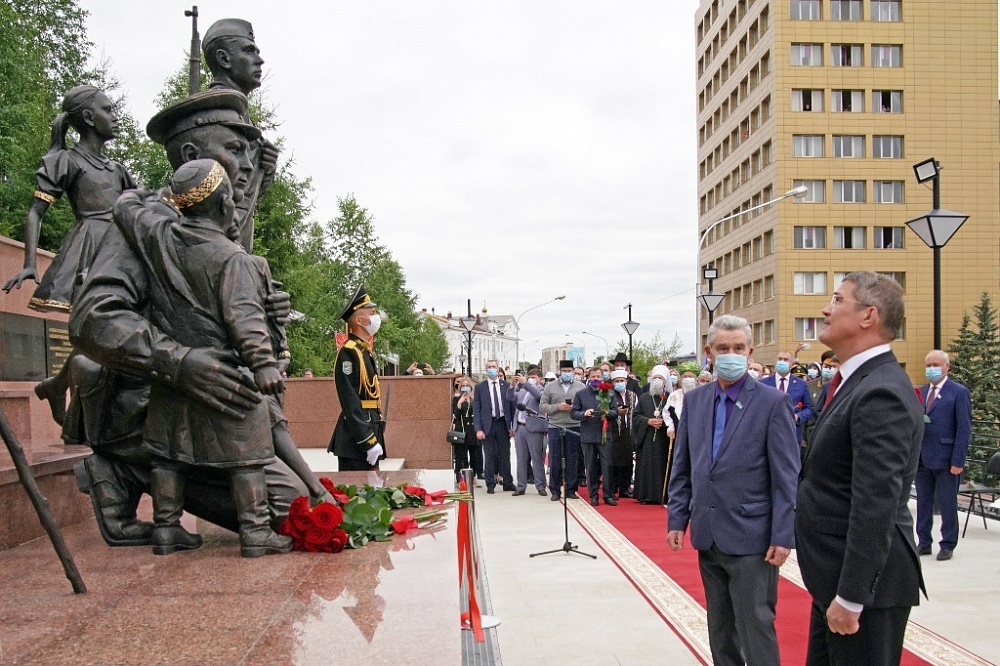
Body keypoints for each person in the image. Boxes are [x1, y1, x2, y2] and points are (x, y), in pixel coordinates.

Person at [69, 89, 309, 546]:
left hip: (212, 406)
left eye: (249, 152)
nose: (245, 164)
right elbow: (92, 319)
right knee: (289, 512)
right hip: (153, 409)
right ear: (191, 156)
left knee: (300, 506)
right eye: (235, 151)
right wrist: (180, 363)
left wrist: (266, 308)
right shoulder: (148, 228)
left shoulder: (210, 221)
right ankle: (118, 467)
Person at [115, 159, 292, 558]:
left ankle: (165, 529)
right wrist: (263, 363)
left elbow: (124, 206)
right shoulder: (234, 259)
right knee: (248, 457)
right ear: (225, 203)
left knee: (168, 456)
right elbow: (244, 316)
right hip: (224, 374)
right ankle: (256, 532)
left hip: (174, 376)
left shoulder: (157, 236)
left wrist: (156, 194)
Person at [796, 271, 925, 665]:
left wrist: (852, 596)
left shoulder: (880, 390)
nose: (825, 308)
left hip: (864, 590)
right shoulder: (855, 380)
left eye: (836, 300)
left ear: (868, 316)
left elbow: (876, 502)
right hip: (835, 580)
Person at [667, 314, 799, 666]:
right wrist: (677, 519)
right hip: (709, 534)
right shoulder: (695, 402)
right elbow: (683, 467)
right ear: (709, 352)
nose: (730, 354)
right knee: (720, 629)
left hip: (753, 538)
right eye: (722, 348)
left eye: (738, 348)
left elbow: (786, 476)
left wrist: (783, 534)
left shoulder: (773, 403)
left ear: (750, 351)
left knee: (755, 625)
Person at [3, 85, 137, 425]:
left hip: (120, 247)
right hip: (90, 249)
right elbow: (35, 213)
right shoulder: (66, 160)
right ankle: (60, 385)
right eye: (108, 110)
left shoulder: (117, 169)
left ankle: (57, 383)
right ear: (89, 118)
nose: (116, 116)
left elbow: (142, 209)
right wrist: (30, 264)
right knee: (99, 330)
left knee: (110, 331)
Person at [201, 18, 279, 253]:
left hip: (239, 248)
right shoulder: (214, 113)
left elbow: (247, 195)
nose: (259, 60)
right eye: (249, 51)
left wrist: (267, 168)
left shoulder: (241, 114)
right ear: (224, 59)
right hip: (217, 250)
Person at [916, 349, 972, 561]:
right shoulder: (921, 391)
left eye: (936, 365)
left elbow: (963, 428)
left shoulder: (958, 392)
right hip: (922, 457)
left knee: (948, 504)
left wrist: (958, 460)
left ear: (947, 367)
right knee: (923, 502)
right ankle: (923, 542)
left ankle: (947, 543)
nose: (931, 369)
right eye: (928, 365)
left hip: (946, 458)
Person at [328, 285, 386, 471]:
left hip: (369, 428)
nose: (376, 317)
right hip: (356, 439)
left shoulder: (363, 351)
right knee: (356, 497)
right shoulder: (349, 352)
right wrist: (367, 440)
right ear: (360, 320)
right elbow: (350, 400)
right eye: (372, 313)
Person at [539, 359, 584, 501]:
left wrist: (574, 408)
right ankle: (555, 490)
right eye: (564, 371)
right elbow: (543, 407)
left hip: (573, 426)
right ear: (559, 371)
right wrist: (558, 407)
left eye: (569, 371)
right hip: (555, 426)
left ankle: (571, 489)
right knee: (555, 458)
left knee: (573, 459)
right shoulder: (550, 387)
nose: (567, 373)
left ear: (573, 371)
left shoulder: (580, 386)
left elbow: (584, 406)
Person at [572, 367, 617, 506]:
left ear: (603, 378)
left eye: (598, 376)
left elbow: (615, 413)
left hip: (604, 435)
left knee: (607, 466)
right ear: (588, 377)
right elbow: (574, 413)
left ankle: (608, 495)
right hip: (588, 434)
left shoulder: (609, 393)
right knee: (590, 466)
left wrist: (608, 412)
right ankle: (593, 495)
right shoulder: (581, 394)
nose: (596, 379)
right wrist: (584, 414)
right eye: (593, 376)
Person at [472, 359, 515, 494]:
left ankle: (507, 482)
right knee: (489, 456)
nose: (491, 369)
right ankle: (490, 484)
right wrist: (478, 429)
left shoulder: (506, 386)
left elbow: (512, 407)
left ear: (498, 369)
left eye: (493, 367)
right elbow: (477, 408)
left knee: (505, 454)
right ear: (486, 370)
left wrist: (512, 426)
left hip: (503, 423)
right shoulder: (480, 387)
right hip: (487, 424)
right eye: (489, 367)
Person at [632, 365, 672, 505]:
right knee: (646, 466)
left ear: (665, 381)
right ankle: (645, 495)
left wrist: (666, 423)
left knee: (662, 465)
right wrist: (648, 421)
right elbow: (635, 416)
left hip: (663, 439)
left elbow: (676, 417)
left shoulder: (670, 398)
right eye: (655, 378)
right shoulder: (644, 398)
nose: (657, 381)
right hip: (647, 438)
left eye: (660, 378)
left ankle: (662, 495)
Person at [760, 349, 814, 446]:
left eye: (785, 360)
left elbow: (809, 408)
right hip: (768, 433)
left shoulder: (801, 384)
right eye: (780, 359)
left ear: (791, 363)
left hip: (792, 434)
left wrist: (798, 417)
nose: (782, 362)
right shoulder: (763, 383)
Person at [509, 368, 548, 496]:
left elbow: (539, 397)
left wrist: (526, 383)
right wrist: (512, 385)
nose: (531, 379)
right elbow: (510, 397)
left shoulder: (543, 390)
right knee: (521, 459)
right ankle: (521, 486)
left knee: (537, 459)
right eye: (529, 376)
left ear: (540, 379)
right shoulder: (522, 391)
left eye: (534, 377)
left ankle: (540, 486)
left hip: (534, 428)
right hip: (520, 428)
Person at [607, 369, 638, 499]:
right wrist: (616, 412)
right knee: (613, 461)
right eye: (617, 381)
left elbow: (636, 412)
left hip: (628, 431)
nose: (619, 383)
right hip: (613, 431)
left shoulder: (632, 395)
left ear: (626, 381)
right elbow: (604, 411)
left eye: (622, 381)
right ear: (613, 383)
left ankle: (624, 488)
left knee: (627, 461)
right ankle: (613, 489)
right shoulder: (607, 395)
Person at [451, 376, 478, 484]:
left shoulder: (474, 399)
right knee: (460, 455)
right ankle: (459, 477)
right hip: (461, 429)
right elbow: (455, 415)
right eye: (463, 386)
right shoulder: (457, 398)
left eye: (467, 386)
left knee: (474, 455)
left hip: (472, 429)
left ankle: (474, 476)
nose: (465, 388)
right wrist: (459, 403)